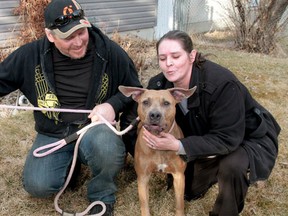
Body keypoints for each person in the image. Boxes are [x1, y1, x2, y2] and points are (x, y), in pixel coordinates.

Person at [0, 0, 142, 215]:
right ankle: (70, 166)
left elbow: (133, 89)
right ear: (50, 35)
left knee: (107, 148)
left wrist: (112, 105)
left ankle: (102, 195)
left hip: (93, 128)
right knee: (38, 186)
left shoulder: (109, 51)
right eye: (68, 36)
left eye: (81, 32)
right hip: (53, 132)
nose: (78, 42)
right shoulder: (30, 55)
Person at [123, 30, 281, 216]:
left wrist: (179, 145)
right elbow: (134, 119)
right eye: (162, 58)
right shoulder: (158, 85)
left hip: (245, 137)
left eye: (175, 56)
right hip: (206, 137)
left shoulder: (223, 84)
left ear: (192, 56)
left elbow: (228, 138)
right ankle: (212, 167)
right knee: (190, 191)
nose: (169, 64)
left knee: (232, 165)